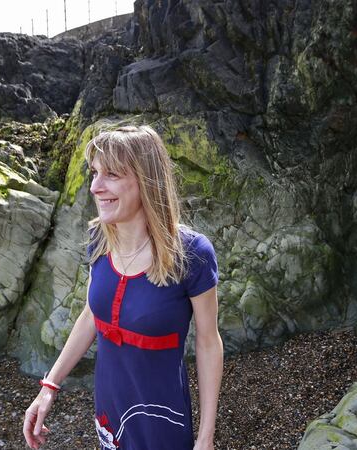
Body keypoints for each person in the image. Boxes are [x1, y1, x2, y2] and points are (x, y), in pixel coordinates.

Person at [22, 125, 223, 450]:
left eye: (112, 175)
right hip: (109, 409)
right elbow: (92, 315)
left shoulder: (192, 254)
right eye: (95, 173)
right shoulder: (99, 239)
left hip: (163, 418)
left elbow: (208, 342)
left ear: (146, 180)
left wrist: (206, 436)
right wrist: (50, 386)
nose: (95, 187)